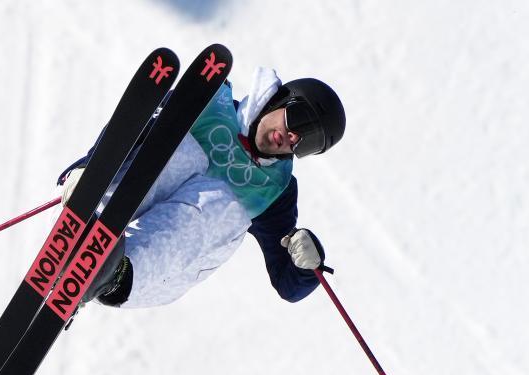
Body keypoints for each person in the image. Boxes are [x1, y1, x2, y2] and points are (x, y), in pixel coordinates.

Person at [57, 67, 346, 308]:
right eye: (299, 119)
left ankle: (109, 272)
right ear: (279, 99)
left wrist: (306, 268)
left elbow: (287, 285)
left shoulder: (275, 190)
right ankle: (90, 217)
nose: (293, 137)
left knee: (223, 203)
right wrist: (88, 168)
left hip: (149, 274)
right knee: (181, 148)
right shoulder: (208, 102)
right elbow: (135, 128)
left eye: (306, 142)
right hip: (109, 202)